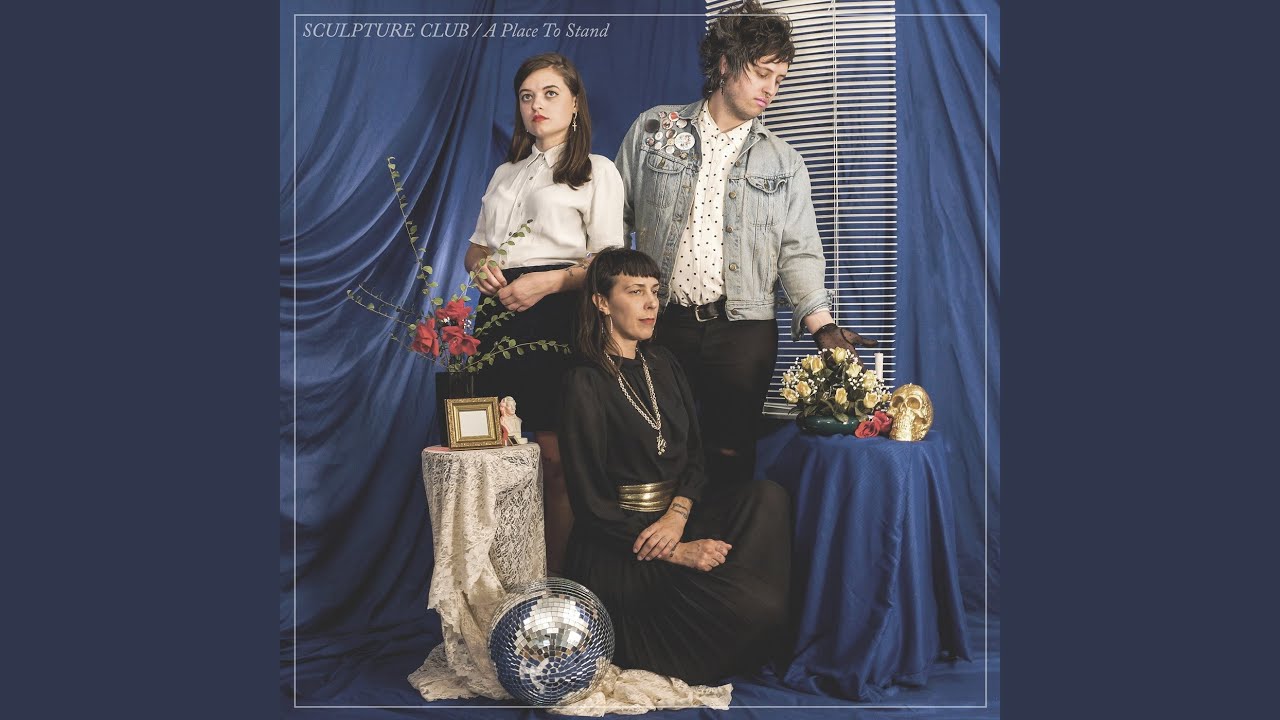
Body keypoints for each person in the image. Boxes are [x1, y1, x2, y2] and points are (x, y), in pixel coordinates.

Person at [613, 0, 876, 486]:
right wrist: (609, 305)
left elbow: (798, 251)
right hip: (659, 323)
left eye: (780, 78)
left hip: (744, 331)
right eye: (762, 73)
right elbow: (612, 224)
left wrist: (822, 326)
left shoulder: (785, 162)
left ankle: (724, 536)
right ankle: (661, 537)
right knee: (652, 447)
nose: (771, 89)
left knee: (730, 455)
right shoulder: (654, 131)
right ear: (725, 63)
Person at [560, 248, 791, 685]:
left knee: (766, 497)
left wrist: (679, 515)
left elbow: (696, 458)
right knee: (756, 609)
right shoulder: (583, 381)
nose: (651, 303)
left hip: (673, 519)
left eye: (654, 291)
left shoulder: (663, 363)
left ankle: (746, 604)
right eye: (635, 292)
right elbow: (591, 505)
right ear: (602, 302)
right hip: (624, 548)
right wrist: (678, 551)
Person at [465, 52, 625, 574]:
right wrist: (480, 265)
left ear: (575, 102)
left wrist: (550, 281)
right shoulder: (505, 172)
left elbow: (608, 263)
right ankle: (500, 581)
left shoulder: (597, 170)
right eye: (527, 96)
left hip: (558, 313)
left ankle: (552, 584)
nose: (537, 104)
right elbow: (477, 246)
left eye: (551, 93)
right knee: (493, 453)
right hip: (497, 314)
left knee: (556, 459)